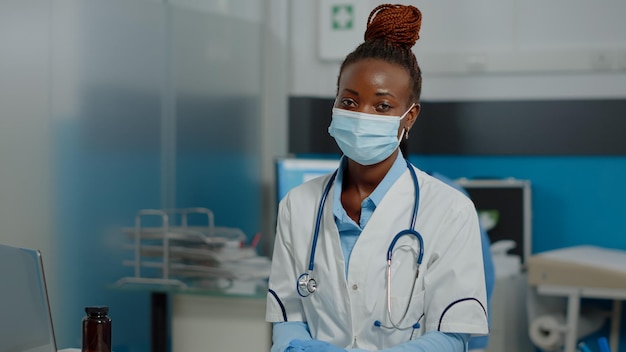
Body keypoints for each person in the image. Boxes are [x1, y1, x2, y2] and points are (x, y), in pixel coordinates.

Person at [265, 4, 489, 351]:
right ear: (335, 103)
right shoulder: (298, 205)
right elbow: (287, 317)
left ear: (409, 117)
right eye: (350, 102)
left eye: (382, 106)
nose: (361, 115)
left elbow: (451, 334)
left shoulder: (450, 210)